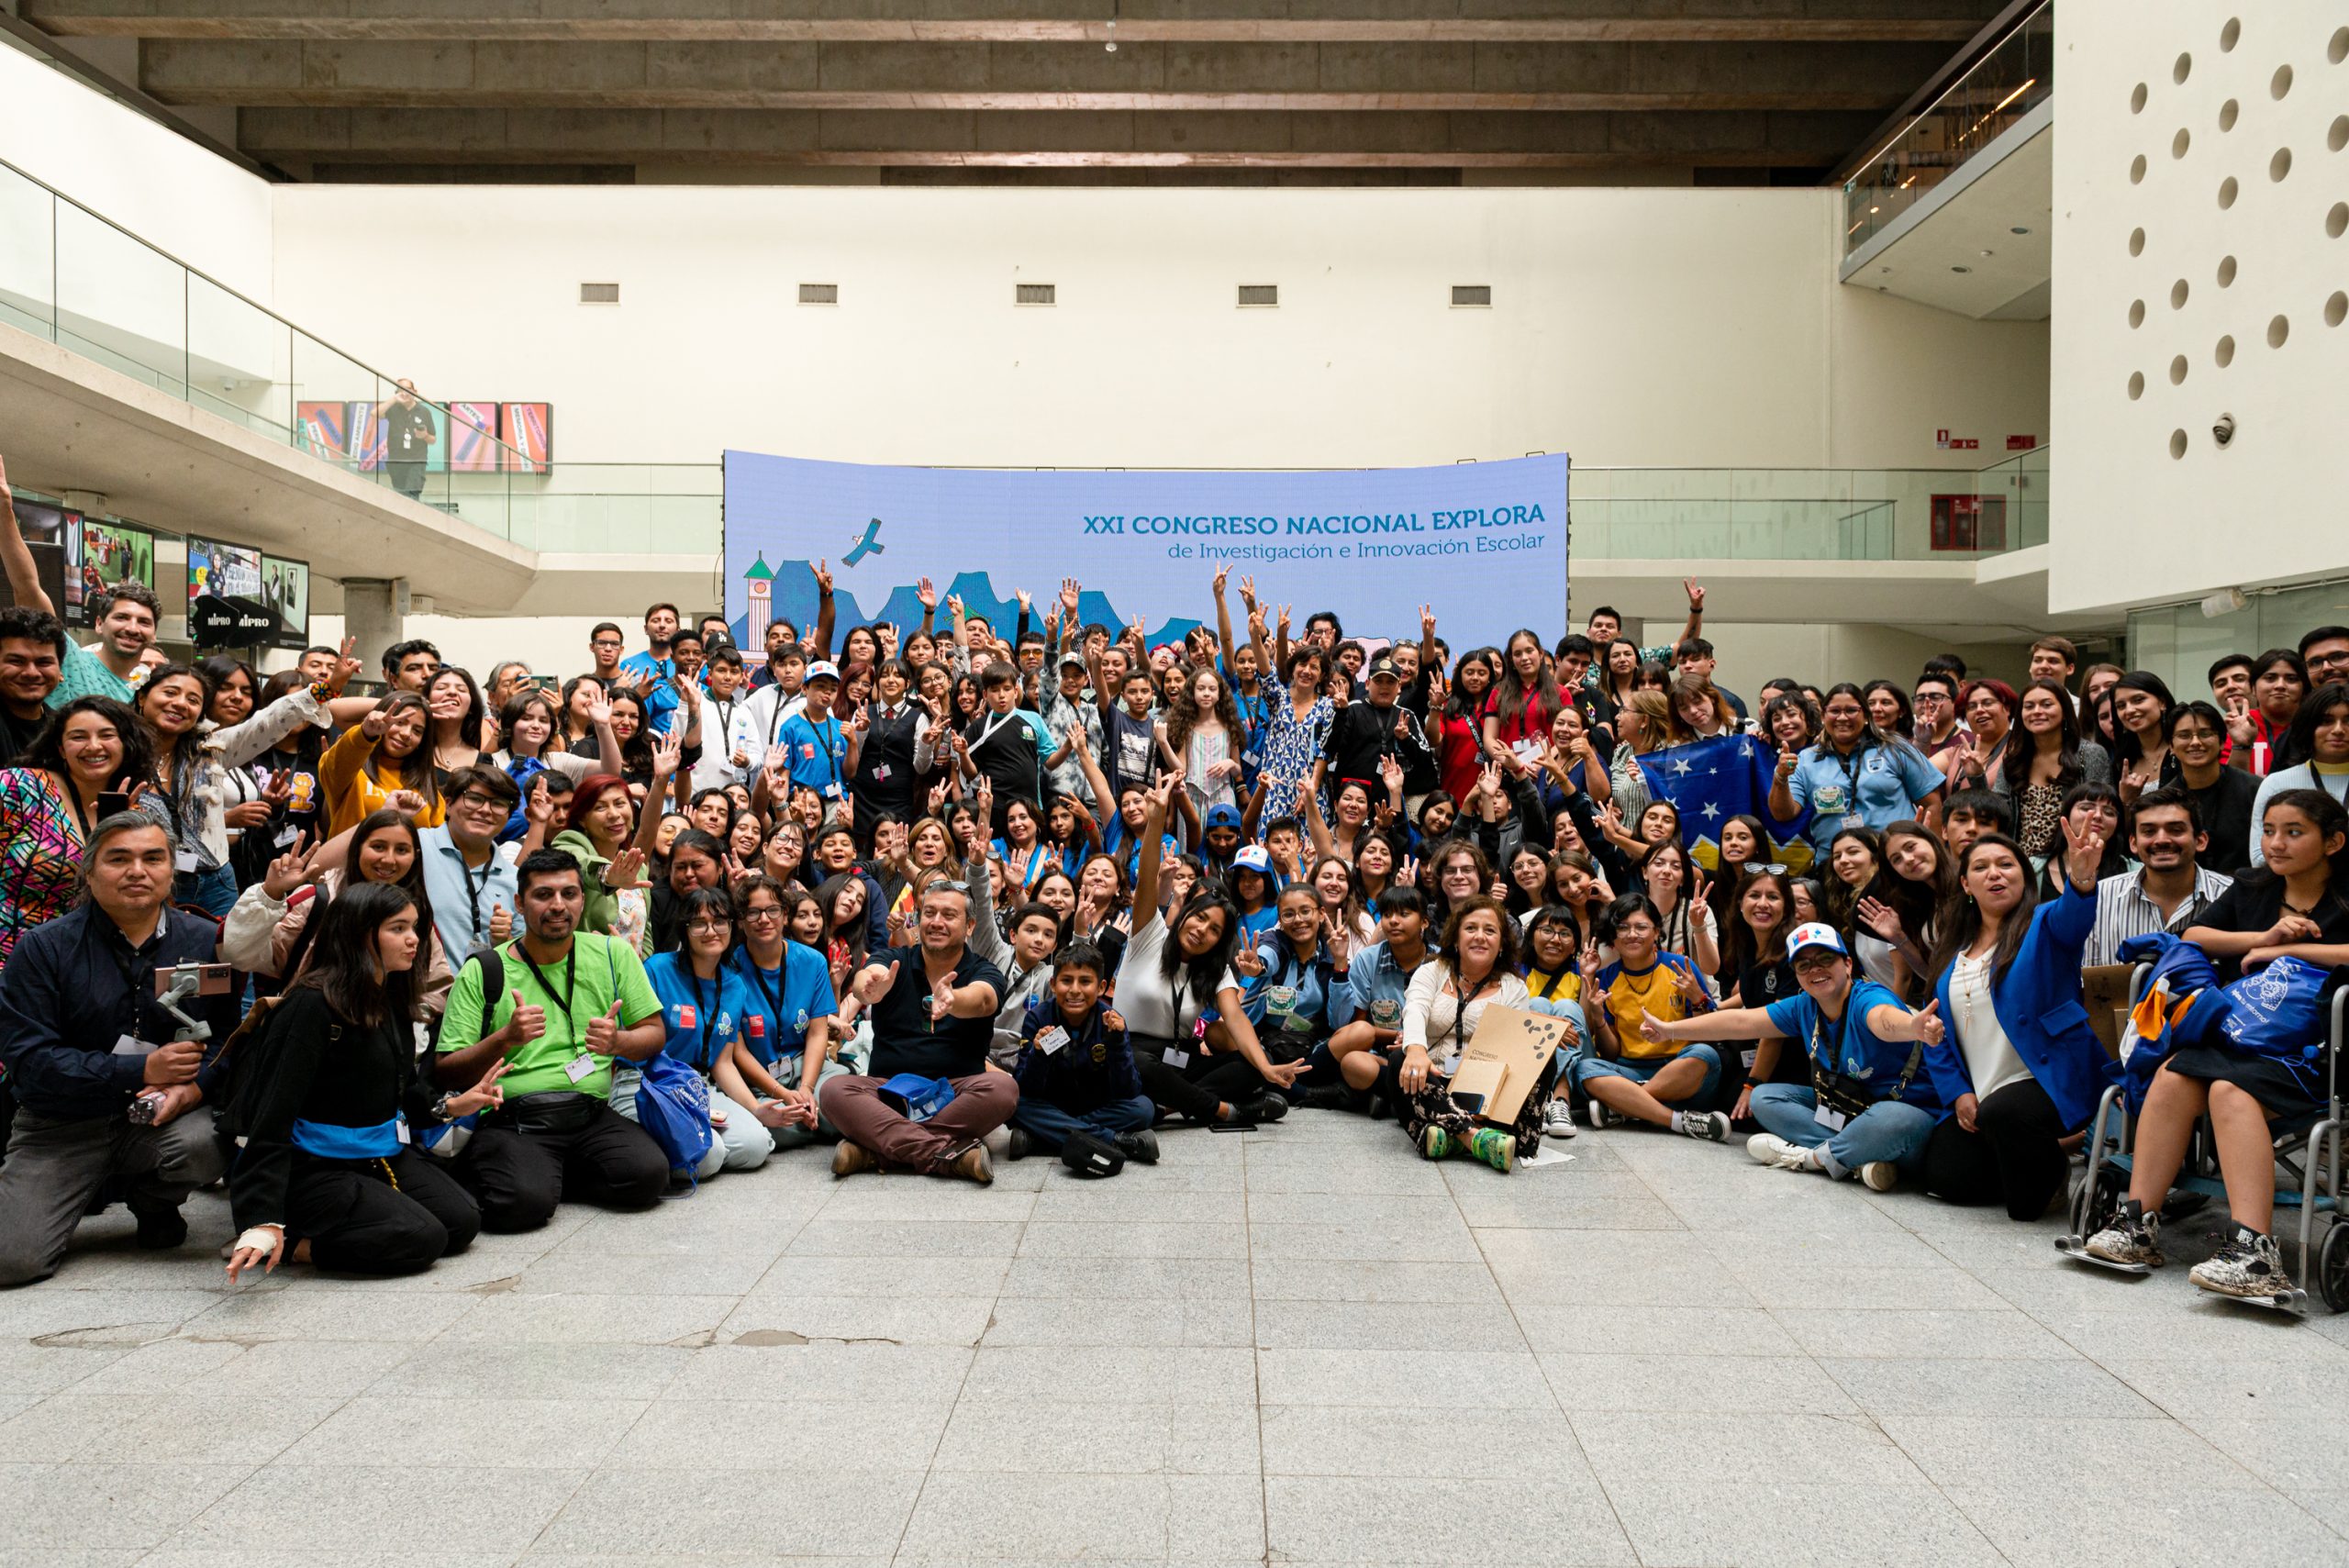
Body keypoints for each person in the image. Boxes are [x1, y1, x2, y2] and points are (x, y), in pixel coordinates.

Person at [2082, 788, 2349, 1296]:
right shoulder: (2254, 888)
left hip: (2315, 1054)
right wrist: (2264, 938)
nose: (2277, 844)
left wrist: (2296, 948)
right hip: (2240, 1033)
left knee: (2229, 1092)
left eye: (2294, 833)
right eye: (2269, 831)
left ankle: (2256, 1255)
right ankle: (2138, 1222)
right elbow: (2195, 938)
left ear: (2333, 842)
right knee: (2174, 1074)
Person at [222, 883, 503, 1283]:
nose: (414, 940)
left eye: (416, 927)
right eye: (398, 928)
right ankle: (299, 1246)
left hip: (375, 1152)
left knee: (462, 1221)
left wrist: (452, 1106)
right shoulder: (310, 1006)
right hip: (312, 1166)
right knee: (422, 1237)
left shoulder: (389, 994)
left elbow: (397, 1093)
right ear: (358, 933)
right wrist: (262, 1219)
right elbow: (271, 1114)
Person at [0, 815, 236, 1284]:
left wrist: (194, 1090)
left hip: (164, 1115)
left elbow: (230, 1040)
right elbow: (29, 1063)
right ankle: (84, 1188)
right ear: (88, 873)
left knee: (207, 1144)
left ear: (172, 870)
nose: (137, 871)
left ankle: (152, 1200)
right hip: (59, 1124)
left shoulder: (207, 941)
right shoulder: (42, 949)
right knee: (11, 1262)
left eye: (153, 858)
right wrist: (141, 1068)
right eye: (118, 859)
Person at [430, 851, 673, 1230]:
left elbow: (654, 1033)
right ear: (519, 903)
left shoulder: (612, 953)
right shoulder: (485, 969)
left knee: (649, 1177)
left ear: (582, 899)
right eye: (543, 895)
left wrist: (617, 1043)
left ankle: (546, 1175)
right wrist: (505, 1038)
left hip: (589, 1113)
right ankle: (527, 1175)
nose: (558, 906)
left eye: (570, 894)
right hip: (514, 1118)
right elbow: (446, 1070)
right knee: (520, 1208)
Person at [1642, 921, 1946, 1187]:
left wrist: (1912, 1027)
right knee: (1765, 1098)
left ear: (1848, 964)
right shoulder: (1804, 1006)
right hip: (1851, 1113)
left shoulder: (1867, 998)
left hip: (1906, 1120)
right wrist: (1670, 1030)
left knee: (1894, 1118)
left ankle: (1811, 1159)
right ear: (1797, 975)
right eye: (1804, 965)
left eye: (1825, 959)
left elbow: (1883, 1020)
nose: (1816, 969)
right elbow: (1741, 1021)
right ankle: (1854, 1159)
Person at [1913, 822, 2116, 1218]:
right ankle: (2033, 1155)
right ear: (1967, 886)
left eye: (2006, 865)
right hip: (1984, 1093)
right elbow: (1935, 1035)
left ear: (2025, 877)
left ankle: (2052, 1171)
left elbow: (2074, 917)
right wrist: (1958, 1094)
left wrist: (2082, 878)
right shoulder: (1951, 952)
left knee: (2023, 1206)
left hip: (2044, 1079)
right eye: (1982, 867)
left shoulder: (2044, 925)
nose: (1995, 873)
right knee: (1945, 1176)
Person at [1117, 775, 1300, 1125]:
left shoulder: (1215, 968)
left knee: (1248, 1067)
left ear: (1220, 940)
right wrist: (1156, 818)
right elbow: (1147, 877)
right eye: (1199, 918)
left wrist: (1266, 1066)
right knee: (1139, 1064)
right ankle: (1221, 1110)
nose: (1202, 930)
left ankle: (1169, 1106)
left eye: (1215, 929)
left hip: (1179, 1061)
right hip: (1132, 1053)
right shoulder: (1150, 935)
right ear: (1185, 914)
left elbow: (1236, 1019)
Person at [818, 879, 1012, 1183]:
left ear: (970, 926)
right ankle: (948, 1156)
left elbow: (985, 999)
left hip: (955, 1094)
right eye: (929, 913)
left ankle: (877, 1151)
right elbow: (867, 979)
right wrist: (868, 989)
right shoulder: (895, 961)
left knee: (1003, 1090)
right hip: (888, 1093)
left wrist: (954, 999)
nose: (936, 922)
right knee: (833, 1091)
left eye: (949, 915)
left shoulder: (983, 970)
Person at [0, 696, 170, 973]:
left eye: (106, 735)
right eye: (78, 737)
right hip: (12, 956)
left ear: (125, 745)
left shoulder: (135, 808)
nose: (93, 746)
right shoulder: (19, 787)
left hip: (90, 964)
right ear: (61, 747)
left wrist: (116, 832)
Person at [1388, 894, 1542, 1171]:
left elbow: (1513, 1050)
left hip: (1487, 1090)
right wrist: (1415, 1049)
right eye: (1471, 928)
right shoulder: (1432, 972)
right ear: (1456, 939)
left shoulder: (1514, 988)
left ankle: (1449, 1137)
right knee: (1399, 1061)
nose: (1480, 937)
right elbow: (1415, 1010)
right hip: (1434, 1080)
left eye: (1490, 930)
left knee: (1541, 1057)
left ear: (1502, 944)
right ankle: (1475, 1138)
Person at [635, 886, 773, 1177]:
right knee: (709, 1156)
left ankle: (691, 1140)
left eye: (720, 921)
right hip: (651, 1083)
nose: (711, 931)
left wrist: (756, 1109)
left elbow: (723, 1062)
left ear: (731, 927)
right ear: (685, 929)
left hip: (698, 1085)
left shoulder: (734, 984)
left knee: (756, 1146)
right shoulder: (658, 968)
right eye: (699, 923)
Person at [0, 459, 158, 707]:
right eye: (122, 617)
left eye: (144, 621)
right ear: (98, 623)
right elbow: (27, 586)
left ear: (154, 634)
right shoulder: (70, 659)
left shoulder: (156, 692)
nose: (132, 627)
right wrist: (5, 511)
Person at [1575, 894, 1731, 1140]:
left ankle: (1626, 1106)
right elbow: (1610, 1054)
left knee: (1705, 1055)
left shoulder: (1681, 966)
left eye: (1641, 927)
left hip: (1679, 1068)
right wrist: (1598, 1018)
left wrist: (1696, 997)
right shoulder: (1606, 977)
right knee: (1585, 1069)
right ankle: (1678, 1120)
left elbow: (1708, 1037)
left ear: (1657, 931)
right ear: (1613, 936)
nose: (1632, 934)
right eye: (1623, 927)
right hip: (1630, 1070)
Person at [1006, 942, 1158, 1167]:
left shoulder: (1111, 1020)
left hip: (1096, 1106)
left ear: (1101, 987)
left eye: (1085, 981)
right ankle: (1114, 1140)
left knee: (1144, 1108)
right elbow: (1026, 1088)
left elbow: (1128, 1090)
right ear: (1054, 985)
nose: (1075, 990)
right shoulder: (1038, 1018)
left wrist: (1117, 1044)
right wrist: (1039, 1054)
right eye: (1066, 981)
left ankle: (1042, 1138)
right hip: (1052, 1104)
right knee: (1014, 1106)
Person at [727, 874, 846, 1148]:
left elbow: (817, 1034)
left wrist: (806, 1088)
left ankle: (810, 1115)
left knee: (842, 1089)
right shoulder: (728, 970)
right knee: (765, 1120)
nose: (764, 919)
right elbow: (738, 1050)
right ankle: (823, 1122)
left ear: (785, 915)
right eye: (753, 912)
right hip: (759, 1080)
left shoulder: (812, 961)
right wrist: (780, 1091)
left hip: (806, 1067)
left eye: (772, 910)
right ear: (741, 921)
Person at [1771, 683, 1943, 855]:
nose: (1843, 718)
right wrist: (1781, 778)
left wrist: (1937, 854)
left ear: (1866, 716)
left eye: (1851, 710)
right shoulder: (1806, 760)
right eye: (1835, 711)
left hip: (1893, 860)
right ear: (1823, 716)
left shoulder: (1896, 748)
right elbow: (1783, 814)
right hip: (1836, 863)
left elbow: (1932, 803)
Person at [2082, 787, 2232, 965]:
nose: (2161, 839)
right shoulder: (2101, 898)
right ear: (2133, 843)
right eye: (2149, 831)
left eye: (2176, 830)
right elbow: (2090, 983)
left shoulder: (2231, 894)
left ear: (2200, 841)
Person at [2246, 681, 2349, 868]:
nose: (2338, 730)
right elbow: (2259, 857)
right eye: (2326, 721)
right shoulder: (2277, 783)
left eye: (2348, 721)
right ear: (2308, 727)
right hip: (2293, 892)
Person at [0, 602, 64, 765]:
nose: (31, 673)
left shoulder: (62, 727)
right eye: (16, 661)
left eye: (44, 663)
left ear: (60, 671)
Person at [376, 378, 438, 500]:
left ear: (415, 391)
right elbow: (375, 413)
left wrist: (424, 436)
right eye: (400, 390)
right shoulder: (393, 409)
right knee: (400, 497)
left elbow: (433, 440)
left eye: (408, 390)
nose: (404, 393)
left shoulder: (424, 412)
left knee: (411, 496)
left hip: (416, 462)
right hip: (396, 462)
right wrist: (394, 399)